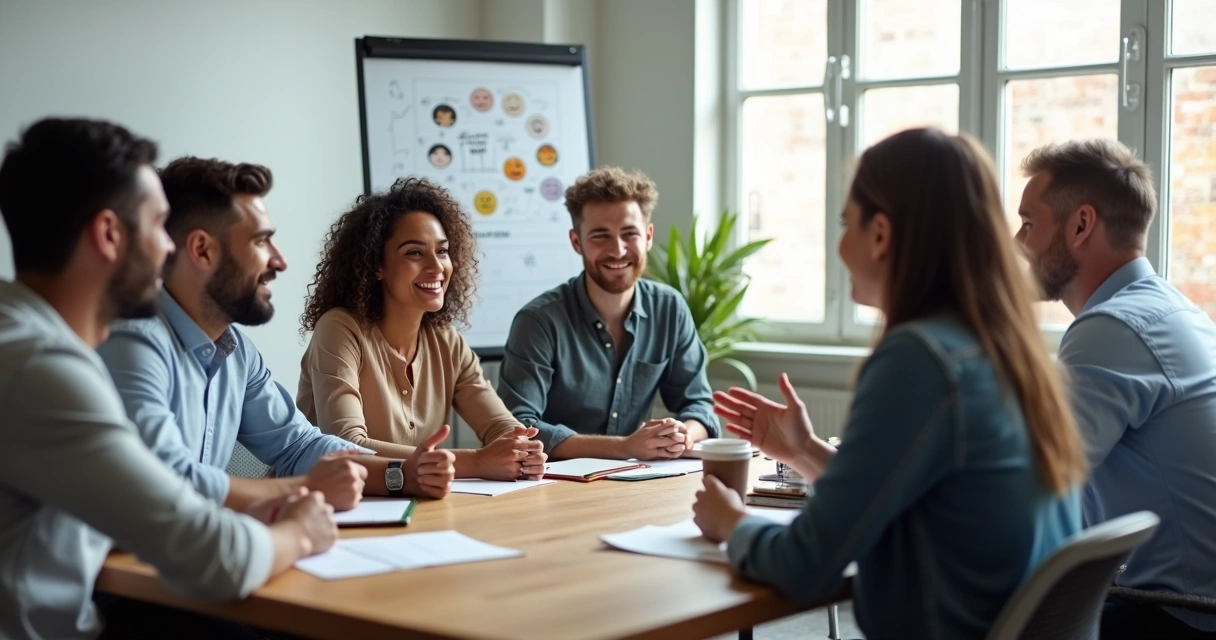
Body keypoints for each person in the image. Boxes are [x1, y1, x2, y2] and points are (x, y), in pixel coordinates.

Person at [692, 128, 1088, 638]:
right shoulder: (1008, 350)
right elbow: (924, 500)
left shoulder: (920, 360)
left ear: (880, 234)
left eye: (845, 224)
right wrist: (806, 451)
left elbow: (805, 565)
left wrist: (731, 523)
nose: (839, 246)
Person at [0, 118, 338, 639]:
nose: (168, 249)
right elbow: (212, 556)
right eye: (159, 226)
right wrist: (299, 531)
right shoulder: (42, 370)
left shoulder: (32, 343)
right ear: (109, 235)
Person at [97, 157, 455, 513]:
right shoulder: (133, 343)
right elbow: (164, 483)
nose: (280, 261)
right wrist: (303, 488)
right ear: (202, 250)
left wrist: (404, 475)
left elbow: (299, 446)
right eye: (261, 242)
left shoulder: (236, 353)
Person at [1017, 139, 1216, 638]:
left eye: (1028, 223)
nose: (1017, 242)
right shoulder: (1170, 309)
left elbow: (1031, 488)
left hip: (1180, 615)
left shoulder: (1112, 328)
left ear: (1081, 224)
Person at [297, 177, 546, 480]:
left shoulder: (447, 340)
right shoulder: (339, 329)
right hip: (315, 507)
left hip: (405, 507)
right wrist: (477, 462)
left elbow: (499, 426)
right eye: (414, 253)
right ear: (377, 265)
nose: (437, 266)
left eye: (442, 251)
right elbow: (347, 446)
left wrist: (521, 450)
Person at [496, 167, 719, 460]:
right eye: (601, 236)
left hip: (635, 482)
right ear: (577, 242)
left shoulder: (670, 308)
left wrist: (681, 435)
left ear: (648, 236)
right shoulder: (538, 321)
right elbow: (518, 427)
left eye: (630, 234)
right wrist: (623, 447)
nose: (618, 250)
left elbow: (699, 405)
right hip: (552, 487)